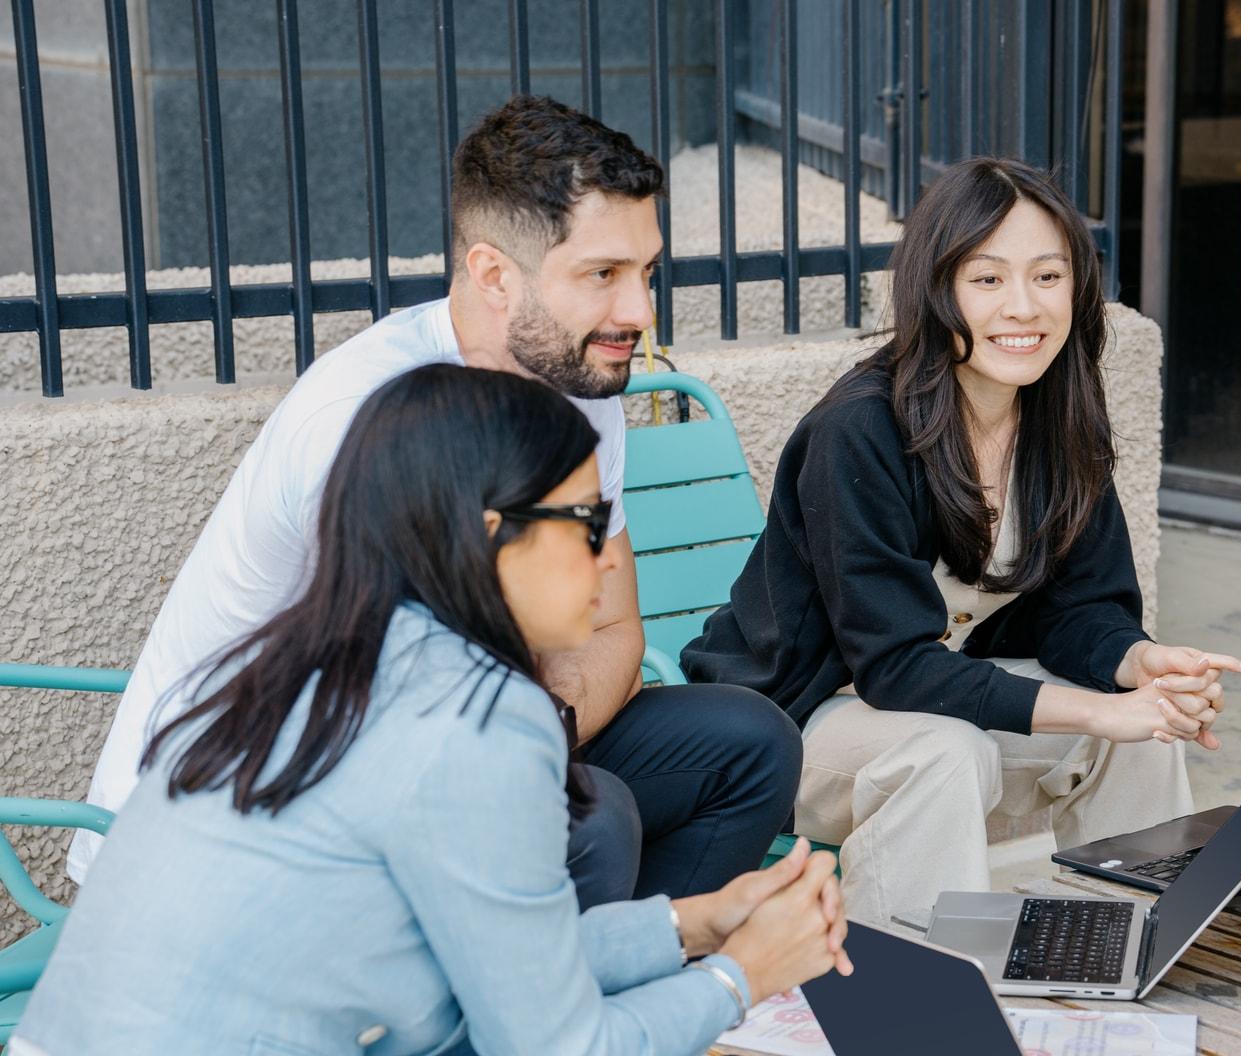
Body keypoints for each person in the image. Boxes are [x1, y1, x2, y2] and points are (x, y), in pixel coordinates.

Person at [0, 365, 849, 1056]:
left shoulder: (301, 666)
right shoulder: (480, 719)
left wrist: (689, 922)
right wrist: (739, 977)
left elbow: (507, 967)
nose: (613, 558)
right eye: (590, 524)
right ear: (489, 538)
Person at [69, 94, 801, 907]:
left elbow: (613, 629)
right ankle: (559, 1020)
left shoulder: (584, 389)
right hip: (250, 810)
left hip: (456, 743)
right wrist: (530, 750)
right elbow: (371, 720)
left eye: (647, 272)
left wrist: (540, 732)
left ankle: (656, 992)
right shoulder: (364, 418)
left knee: (750, 741)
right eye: (602, 275)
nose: (640, 312)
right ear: (493, 274)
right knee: (588, 820)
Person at [681, 157, 1241, 924]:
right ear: (937, 286)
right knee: (950, 751)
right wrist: (1092, 711)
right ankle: (910, 993)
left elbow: (1083, 610)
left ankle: (1121, 949)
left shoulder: (1059, 417)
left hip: (936, 707)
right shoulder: (861, 429)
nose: (1024, 307)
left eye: (1047, 277)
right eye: (987, 280)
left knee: (1140, 733)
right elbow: (895, 669)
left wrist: (1137, 665)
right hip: (794, 729)